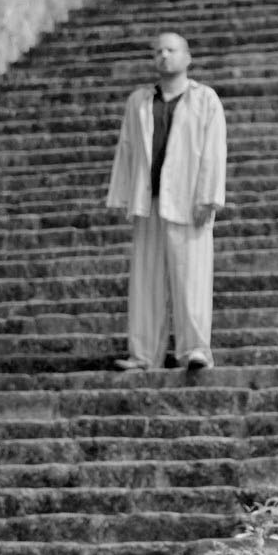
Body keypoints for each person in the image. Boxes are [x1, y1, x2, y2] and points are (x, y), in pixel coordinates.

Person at [105, 31, 227, 372]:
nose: (164, 56)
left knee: (192, 279)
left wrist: (209, 197)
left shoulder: (205, 100)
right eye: (158, 51)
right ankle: (144, 354)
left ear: (187, 57)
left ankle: (194, 350)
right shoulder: (139, 101)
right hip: (150, 200)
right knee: (145, 281)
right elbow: (127, 149)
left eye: (171, 50)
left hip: (190, 202)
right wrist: (124, 196)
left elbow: (214, 152)